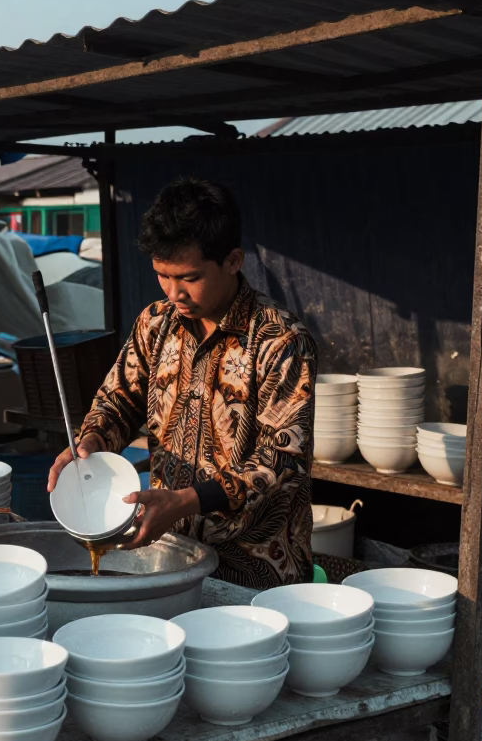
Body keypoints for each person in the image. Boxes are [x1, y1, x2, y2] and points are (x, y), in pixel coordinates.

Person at [47, 178, 317, 590]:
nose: (175, 293)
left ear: (233, 260)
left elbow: (283, 460)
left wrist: (188, 501)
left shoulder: (281, 340)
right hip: (169, 552)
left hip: (255, 570)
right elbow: (117, 402)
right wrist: (92, 442)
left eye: (189, 278)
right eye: (162, 276)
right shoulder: (155, 324)